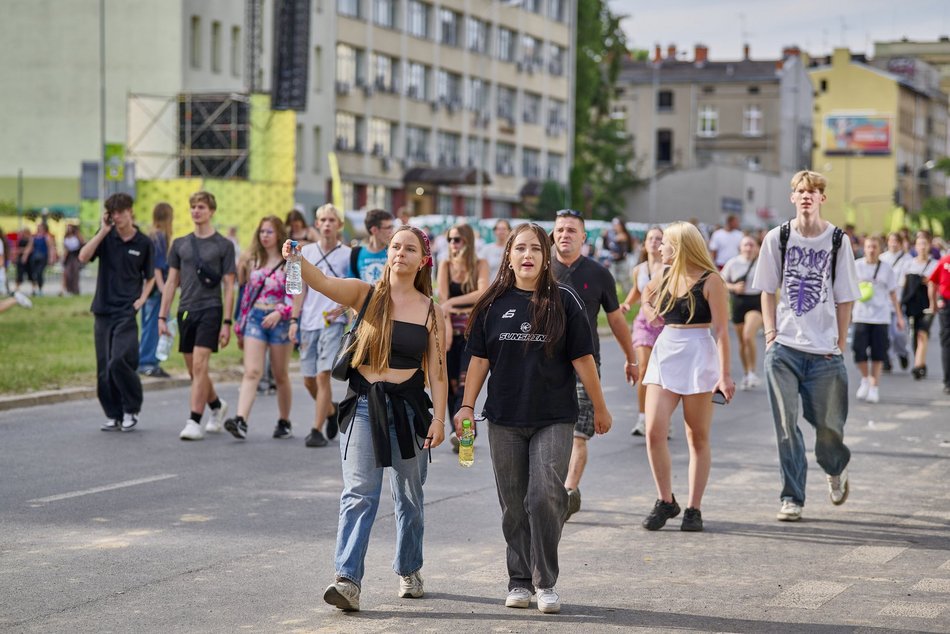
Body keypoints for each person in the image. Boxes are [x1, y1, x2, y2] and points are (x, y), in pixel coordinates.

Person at [283, 225, 447, 613]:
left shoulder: (431, 310)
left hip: (409, 409)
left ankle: (409, 568)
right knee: (358, 494)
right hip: (362, 405)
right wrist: (297, 257)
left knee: (409, 497)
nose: (400, 253)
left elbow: (437, 372)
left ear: (423, 260)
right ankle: (347, 580)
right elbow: (322, 282)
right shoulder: (366, 294)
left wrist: (439, 419)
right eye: (394, 246)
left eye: (409, 248)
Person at [453, 223, 610, 615]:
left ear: (545, 257)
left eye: (535, 249)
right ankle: (519, 580)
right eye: (519, 248)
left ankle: (546, 582)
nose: (527, 255)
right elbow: (478, 360)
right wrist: (467, 407)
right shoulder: (492, 303)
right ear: (508, 255)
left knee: (543, 497)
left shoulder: (566, 301)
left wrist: (600, 405)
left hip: (553, 417)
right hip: (504, 417)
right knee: (513, 503)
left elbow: (583, 359)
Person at [750, 170, 861, 522]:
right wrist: (770, 335)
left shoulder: (838, 241)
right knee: (786, 425)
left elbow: (845, 298)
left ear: (822, 199)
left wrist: (840, 342)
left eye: (814, 191)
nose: (807, 196)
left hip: (825, 353)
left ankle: (835, 467)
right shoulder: (777, 238)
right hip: (784, 349)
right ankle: (792, 496)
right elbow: (767, 289)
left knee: (829, 429)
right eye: (801, 191)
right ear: (793, 197)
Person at [638, 222, 733, 533]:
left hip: (698, 354)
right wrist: (651, 313)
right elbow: (645, 295)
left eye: (665, 243)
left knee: (697, 437)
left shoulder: (711, 280)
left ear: (679, 246)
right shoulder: (663, 276)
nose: (659, 248)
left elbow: (721, 330)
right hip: (666, 351)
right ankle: (666, 500)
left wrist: (725, 375)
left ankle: (694, 507)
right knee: (654, 431)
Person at [550, 209, 637, 519]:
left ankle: (568, 492)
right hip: (544, 365)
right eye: (560, 229)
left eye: (572, 230)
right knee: (547, 429)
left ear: (584, 236)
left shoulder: (599, 274)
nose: (565, 235)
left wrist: (632, 358)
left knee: (578, 433)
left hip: (584, 364)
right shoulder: (539, 270)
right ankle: (551, 490)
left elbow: (616, 321)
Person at [159, 191, 236, 441]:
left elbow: (228, 286)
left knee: (201, 365)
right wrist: (162, 316)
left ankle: (194, 421)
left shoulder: (223, 245)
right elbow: (171, 282)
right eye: (193, 207)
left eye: (201, 207)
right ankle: (216, 405)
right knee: (195, 371)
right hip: (185, 310)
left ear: (211, 211)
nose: (196, 211)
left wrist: (227, 322)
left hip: (211, 309)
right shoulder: (180, 244)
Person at [78, 193, 155, 432]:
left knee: (119, 360)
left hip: (125, 311)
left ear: (131, 211)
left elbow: (150, 277)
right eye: (113, 212)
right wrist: (102, 231)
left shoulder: (143, 243)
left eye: (121, 211)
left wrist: (142, 299)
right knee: (103, 369)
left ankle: (131, 408)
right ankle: (113, 414)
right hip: (103, 309)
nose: (117, 216)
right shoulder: (107, 238)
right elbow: (83, 256)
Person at [224, 216, 294, 440]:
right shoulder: (251, 260)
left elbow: (295, 296)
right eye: (262, 231)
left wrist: (280, 312)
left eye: (270, 232)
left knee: (280, 374)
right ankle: (241, 420)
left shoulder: (290, 262)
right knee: (252, 371)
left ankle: (284, 421)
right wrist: (240, 323)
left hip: (279, 321)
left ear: (279, 235)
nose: (264, 235)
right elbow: (246, 295)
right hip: (255, 317)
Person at [291, 204, 352, 447]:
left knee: (322, 375)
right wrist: (294, 320)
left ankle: (315, 430)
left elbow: (354, 287)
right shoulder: (305, 252)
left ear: (339, 225)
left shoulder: (348, 254)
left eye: (331, 220)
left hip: (333, 321)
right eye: (323, 220)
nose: (327, 224)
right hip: (309, 321)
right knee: (308, 378)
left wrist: (345, 306)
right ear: (316, 224)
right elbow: (299, 288)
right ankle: (329, 410)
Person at [437, 223, 489, 442]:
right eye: (449, 239)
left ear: (467, 241)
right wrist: (446, 324)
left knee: (464, 383)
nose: (452, 244)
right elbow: (442, 303)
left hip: (472, 333)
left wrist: (452, 304)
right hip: (451, 332)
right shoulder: (445, 265)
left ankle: (466, 434)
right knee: (449, 384)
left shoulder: (480, 264)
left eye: (457, 239)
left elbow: (483, 292)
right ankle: (456, 431)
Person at [621, 226, 665, 436]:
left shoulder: (671, 267)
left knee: (663, 373)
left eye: (658, 238)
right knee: (645, 368)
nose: (654, 242)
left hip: (666, 323)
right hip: (643, 323)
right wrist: (627, 304)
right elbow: (636, 292)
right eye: (650, 238)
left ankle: (662, 418)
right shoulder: (639, 269)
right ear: (645, 243)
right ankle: (642, 418)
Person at [852, 235, 904, 404]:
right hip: (861, 315)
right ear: (864, 248)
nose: (871, 250)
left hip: (881, 317)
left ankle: (874, 386)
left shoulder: (886, 269)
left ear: (880, 249)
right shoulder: (856, 266)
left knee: (878, 353)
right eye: (868, 247)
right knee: (858, 351)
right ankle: (865, 378)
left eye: (875, 247)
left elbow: (893, 293)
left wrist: (899, 316)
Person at [721, 235, 764, 390]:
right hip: (738, 303)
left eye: (751, 245)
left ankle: (753, 371)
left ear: (757, 247)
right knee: (742, 341)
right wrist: (733, 287)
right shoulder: (733, 263)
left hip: (756, 302)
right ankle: (746, 373)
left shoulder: (762, 263)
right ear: (740, 247)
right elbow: (721, 281)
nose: (748, 248)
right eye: (745, 245)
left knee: (748, 335)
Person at [138, 203, 174, 378]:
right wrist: (163, 289)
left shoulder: (151, 235)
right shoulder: (160, 237)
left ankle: (148, 360)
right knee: (155, 326)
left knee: (150, 325)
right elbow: (157, 268)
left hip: (148, 289)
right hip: (156, 290)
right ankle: (147, 362)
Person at [901, 232, 938, 380]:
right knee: (915, 334)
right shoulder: (909, 264)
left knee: (923, 333)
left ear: (929, 246)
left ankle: (917, 365)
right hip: (913, 303)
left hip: (928, 303)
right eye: (919, 244)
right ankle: (921, 362)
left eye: (925, 244)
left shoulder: (935, 264)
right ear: (915, 246)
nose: (922, 247)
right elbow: (903, 284)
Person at [880, 232, 911, 372]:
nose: (893, 243)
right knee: (885, 335)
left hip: (899, 301)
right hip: (883, 302)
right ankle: (887, 360)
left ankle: (903, 353)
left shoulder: (907, 259)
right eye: (891, 240)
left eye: (896, 241)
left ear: (900, 243)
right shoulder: (882, 258)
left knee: (899, 333)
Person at [927, 242, 950, 394]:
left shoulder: (945, 260)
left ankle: (948, 381)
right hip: (946, 304)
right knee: (947, 343)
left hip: (945, 304)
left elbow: (932, 282)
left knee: (947, 342)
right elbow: (933, 281)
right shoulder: (945, 261)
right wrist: (933, 303)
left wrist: (934, 303)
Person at [350, 209, 395, 283]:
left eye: (392, 227)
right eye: (388, 228)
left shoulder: (394, 252)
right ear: (374, 230)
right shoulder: (356, 253)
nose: (392, 232)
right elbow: (351, 284)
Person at [23, 223, 57, 296]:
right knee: (33, 273)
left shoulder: (47, 237)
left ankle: (40, 289)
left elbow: (51, 248)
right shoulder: (34, 237)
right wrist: (25, 256)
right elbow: (29, 247)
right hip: (34, 257)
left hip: (43, 257)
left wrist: (51, 258)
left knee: (39, 273)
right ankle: (34, 289)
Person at [602, 217, 632, 292]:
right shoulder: (610, 234)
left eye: (617, 224)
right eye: (614, 224)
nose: (615, 226)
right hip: (613, 262)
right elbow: (606, 247)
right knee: (611, 281)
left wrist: (620, 251)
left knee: (625, 283)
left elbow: (628, 250)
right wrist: (604, 237)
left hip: (622, 262)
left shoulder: (624, 235)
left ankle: (631, 299)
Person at [61, 224, 84, 296]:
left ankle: (75, 290)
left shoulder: (77, 236)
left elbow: (82, 243)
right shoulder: (66, 237)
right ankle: (69, 289)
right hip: (69, 256)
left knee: (75, 273)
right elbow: (65, 249)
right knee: (68, 273)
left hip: (75, 256)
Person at [14, 227, 32, 294]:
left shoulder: (30, 239)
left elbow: (29, 249)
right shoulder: (20, 239)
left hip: (28, 259)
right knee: (19, 274)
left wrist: (24, 255)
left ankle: (34, 289)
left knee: (31, 274)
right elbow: (17, 249)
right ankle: (17, 289)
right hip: (20, 259)